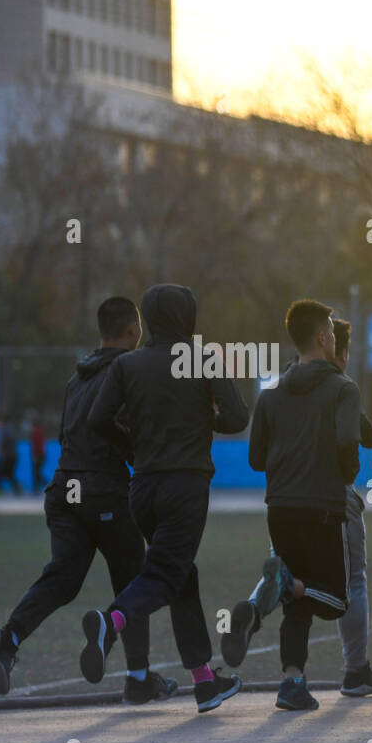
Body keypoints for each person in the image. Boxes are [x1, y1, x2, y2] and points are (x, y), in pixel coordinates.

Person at [0, 298, 177, 703]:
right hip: (104, 488)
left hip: (64, 488)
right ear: (133, 330)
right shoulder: (129, 372)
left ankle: (8, 640)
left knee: (62, 579)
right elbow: (126, 429)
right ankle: (138, 678)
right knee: (135, 581)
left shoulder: (78, 377)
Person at [80, 283, 248, 713]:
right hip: (185, 486)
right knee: (164, 574)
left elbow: (97, 419)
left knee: (180, 576)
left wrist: (133, 447)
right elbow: (237, 416)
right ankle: (111, 622)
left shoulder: (128, 364)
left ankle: (205, 682)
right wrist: (199, 420)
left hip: (143, 488)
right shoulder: (202, 357)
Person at [222, 318, 372, 699]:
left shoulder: (276, 389)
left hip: (280, 503)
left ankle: (291, 679)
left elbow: (256, 457)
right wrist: (363, 451)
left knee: (295, 590)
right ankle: (356, 670)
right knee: (345, 587)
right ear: (332, 346)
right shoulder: (341, 388)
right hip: (328, 500)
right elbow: (359, 437)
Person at [0, 417, 22, 495]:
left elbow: (3, 443)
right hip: (13, 456)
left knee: (3, 473)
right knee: (8, 474)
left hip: (9, 456)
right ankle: (17, 488)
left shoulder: (4, 431)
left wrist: (1, 451)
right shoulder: (11, 431)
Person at [29, 417, 47, 493]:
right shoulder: (40, 432)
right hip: (41, 455)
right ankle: (37, 488)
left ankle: (45, 486)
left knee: (36, 473)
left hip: (38, 456)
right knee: (37, 473)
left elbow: (36, 446)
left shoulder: (36, 433)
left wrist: (35, 456)